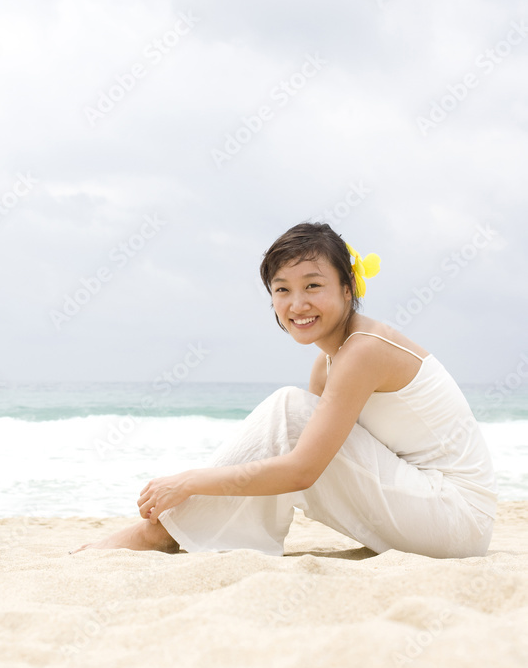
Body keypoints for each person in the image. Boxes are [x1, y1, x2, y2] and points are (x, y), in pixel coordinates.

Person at [70, 222, 497, 558]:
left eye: (313, 285)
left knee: (289, 409)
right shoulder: (330, 362)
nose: (297, 304)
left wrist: (189, 482)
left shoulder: (364, 351)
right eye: (282, 290)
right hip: (430, 508)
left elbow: (301, 471)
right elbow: (302, 462)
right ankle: (170, 533)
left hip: (455, 518)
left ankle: (159, 534)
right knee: (294, 413)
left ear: (348, 289)